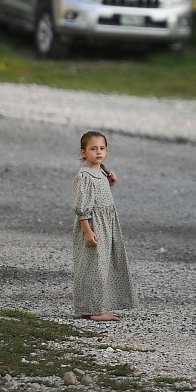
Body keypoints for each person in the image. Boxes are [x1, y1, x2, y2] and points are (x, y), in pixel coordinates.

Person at [72, 130, 137, 322]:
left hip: (105, 225)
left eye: (102, 148)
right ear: (83, 153)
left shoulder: (99, 172)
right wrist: (88, 231)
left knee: (99, 266)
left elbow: (98, 195)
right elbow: (82, 206)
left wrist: (110, 183)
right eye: (93, 149)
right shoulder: (85, 176)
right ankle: (96, 311)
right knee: (94, 268)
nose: (98, 152)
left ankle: (88, 308)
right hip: (93, 225)